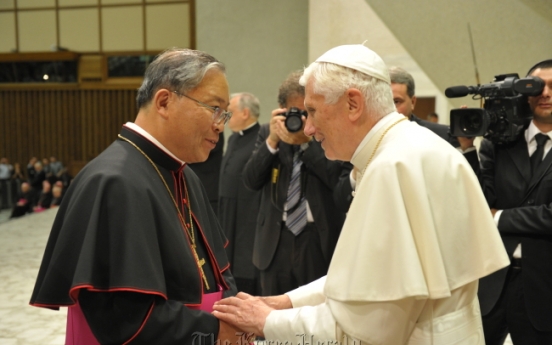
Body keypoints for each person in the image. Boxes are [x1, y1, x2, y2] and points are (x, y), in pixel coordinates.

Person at [213, 44, 510, 344]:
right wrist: (287, 302)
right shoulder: (408, 147)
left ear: (353, 104)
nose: (310, 128)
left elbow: (370, 325)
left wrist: (268, 322)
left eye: (313, 110)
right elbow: (364, 279)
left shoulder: (392, 167)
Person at [30, 48, 247, 345]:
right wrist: (214, 331)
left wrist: (233, 314)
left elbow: (219, 272)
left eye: (225, 114)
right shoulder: (112, 182)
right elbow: (122, 317)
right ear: (164, 101)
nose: (220, 125)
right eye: (213, 109)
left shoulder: (185, 176)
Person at [458, 59, 552, 344]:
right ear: (524, 92)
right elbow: (479, 202)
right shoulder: (498, 143)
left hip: (545, 287)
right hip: (492, 283)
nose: (545, 93)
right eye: (537, 86)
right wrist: (467, 149)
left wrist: (498, 217)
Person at [242, 70, 345, 297]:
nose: (301, 119)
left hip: (317, 239)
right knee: (274, 315)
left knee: (315, 310)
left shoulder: (327, 134)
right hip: (275, 240)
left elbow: (336, 181)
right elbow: (251, 180)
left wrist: (308, 143)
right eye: (294, 112)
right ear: (281, 109)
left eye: (308, 112)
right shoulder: (269, 132)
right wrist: (272, 141)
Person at [218, 92, 262, 295]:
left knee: (244, 262)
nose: (226, 117)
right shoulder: (234, 138)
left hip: (248, 211)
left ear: (245, 113)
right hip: (228, 210)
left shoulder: (261, 137)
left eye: (230, 112)